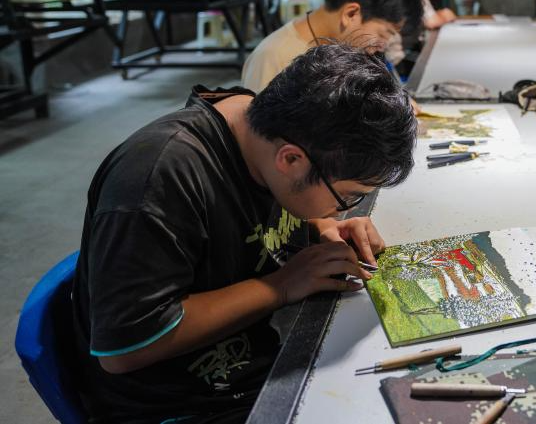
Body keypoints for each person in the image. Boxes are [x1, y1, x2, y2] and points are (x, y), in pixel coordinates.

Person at [71, 45, 416, 423]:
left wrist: (322, 225)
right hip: (179, 402)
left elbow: (264, 209)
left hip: (258, 352)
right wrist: (282, 285)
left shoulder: (262, 130)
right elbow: (124, 349)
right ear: (291, 159)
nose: (345, 208)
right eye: (348, 196)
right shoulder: (157, 178)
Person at [241, 0, 423, 92]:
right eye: (384, 34)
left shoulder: (344, 48)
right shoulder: (275, 58)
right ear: (351, 14)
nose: (383, 46)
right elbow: (258, 132)